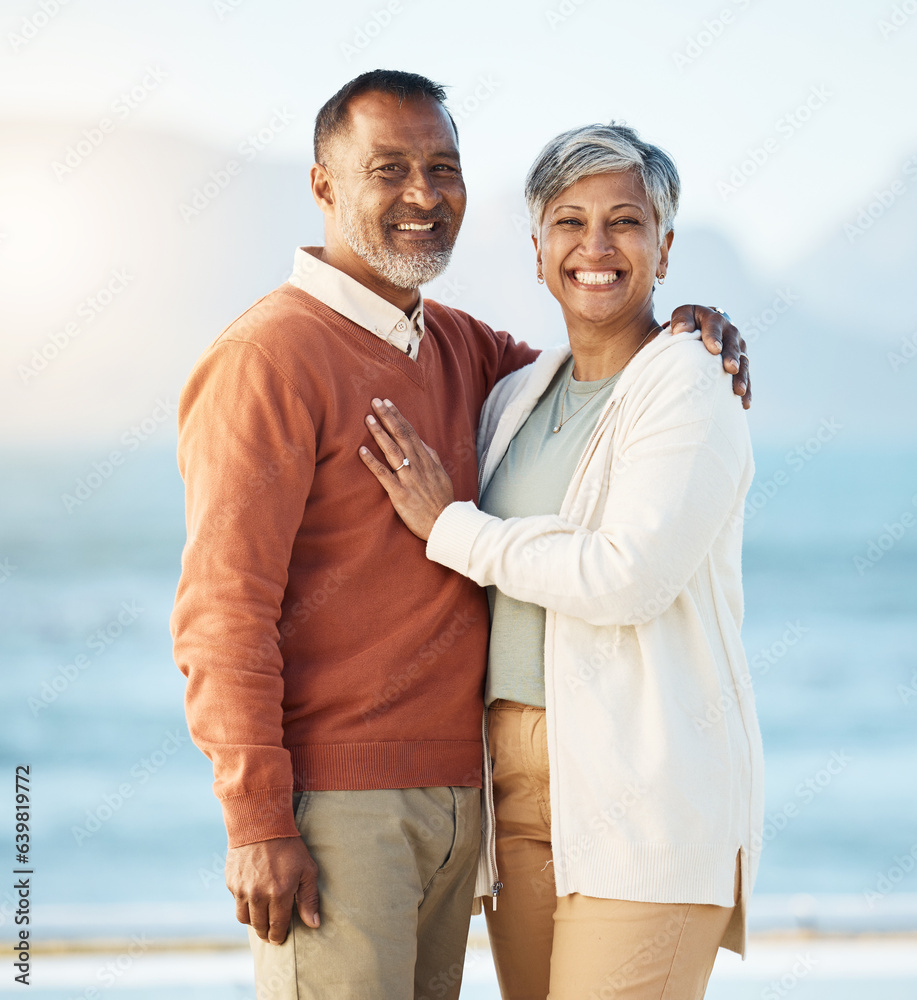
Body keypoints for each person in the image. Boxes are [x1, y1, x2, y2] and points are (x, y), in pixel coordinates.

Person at [171, 69, 750, 1000]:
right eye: (388, 168)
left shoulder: (466, 351)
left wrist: (691, 328)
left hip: (467, 806)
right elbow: (221, 609)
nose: (422, 195)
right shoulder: (264, 358)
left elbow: (599, 378)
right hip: (339, 806)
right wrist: (255, 821)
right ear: (323, 184)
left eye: (443, 168)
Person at [360, 122, 762, 1000]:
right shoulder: (514, 395)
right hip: (516, 797)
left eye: (625, 222)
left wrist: (452, 527)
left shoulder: (688, 382)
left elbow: (627, 576)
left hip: (639, 788)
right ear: (537, 247)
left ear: (663, 245)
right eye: (569, 222)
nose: (596, 247)